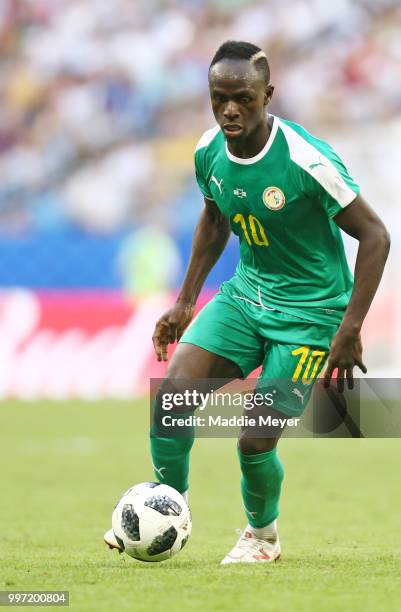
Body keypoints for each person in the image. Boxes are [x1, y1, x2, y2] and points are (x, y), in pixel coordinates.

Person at [105, 40, 390, 563]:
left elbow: (375, 236)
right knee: (172, 399)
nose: (230, 109)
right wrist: (185, 300)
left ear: (268, 96)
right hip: (245, 296)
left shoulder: (307, 160)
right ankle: (167, 507)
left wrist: (348, 329)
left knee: (254, 440)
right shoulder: (208, 150)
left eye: (243, 98)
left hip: (311, 314)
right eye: (219, 98)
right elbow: (215, 218)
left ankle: (263, 538)